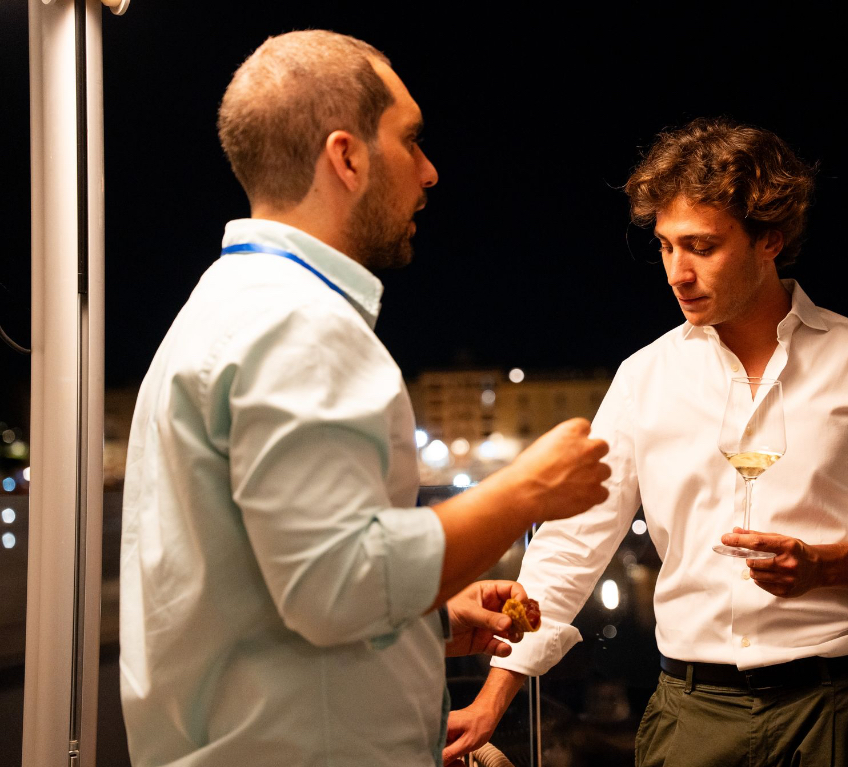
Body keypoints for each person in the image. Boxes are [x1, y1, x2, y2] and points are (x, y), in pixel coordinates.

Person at [118, 30, 611, 767]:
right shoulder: (299, 322)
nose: (430, 171)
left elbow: (277, 576)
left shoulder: (228, 302)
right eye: (410, 140)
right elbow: (336, 583)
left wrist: (427, 616)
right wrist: (525, 491)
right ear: (346, 158)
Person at [445, 118, 848, 767]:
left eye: (702, 247)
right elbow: (572, 544)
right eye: (666, 246)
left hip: (840, 709)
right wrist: (492, 700)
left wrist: (829, 566)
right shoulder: (643, 377)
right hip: (690, 713)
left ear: (770, 238)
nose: (677, 273)